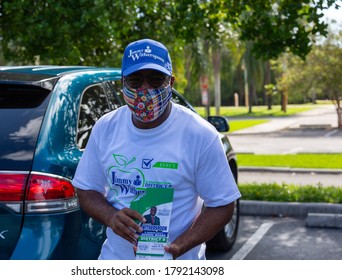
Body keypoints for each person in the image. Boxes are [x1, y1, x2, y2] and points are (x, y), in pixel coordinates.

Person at [72, 38, 241, 260]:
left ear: (170, 82)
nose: (145, 89)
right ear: (123, 82)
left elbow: (222, 204)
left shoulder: (200, 134)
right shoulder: (106, 127)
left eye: (155, 79)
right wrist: (111, 216)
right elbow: (87, 190)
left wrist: (180, 246)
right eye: (135, 80)